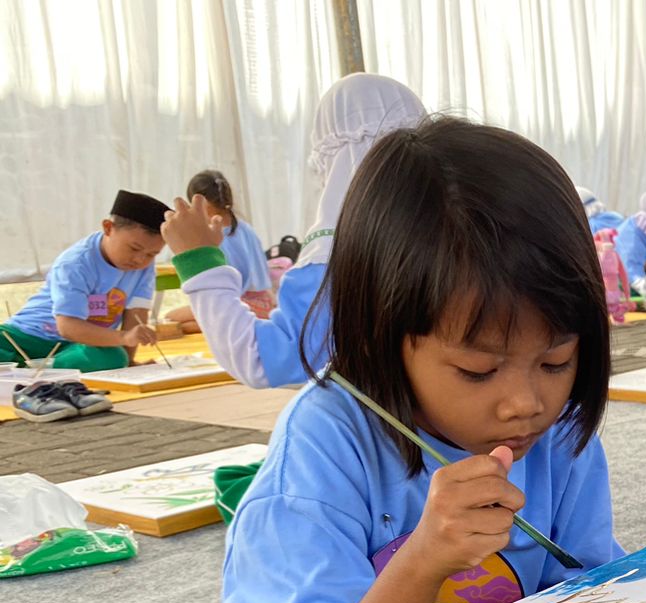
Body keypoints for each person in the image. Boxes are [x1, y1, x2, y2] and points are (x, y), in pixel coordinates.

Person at [156, 117, 622, 603]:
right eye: (478, 368)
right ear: (381, 333)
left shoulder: (555, 434)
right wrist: (426, 557)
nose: (525, 401)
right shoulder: (328, 438)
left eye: (556, 361)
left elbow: (587, 598)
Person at [161, 73, 426, 389]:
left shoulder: (340, 249)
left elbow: (264, 359)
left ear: (330, 152)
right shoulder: (456, 226)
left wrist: (198, 262)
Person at [0, 189, 165, 378]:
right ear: (108, 228)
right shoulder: (76, 262)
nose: (140, 259)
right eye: (134, 248)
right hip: (24, 338)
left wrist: (127, 362)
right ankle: (34, 371)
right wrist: (123, 337)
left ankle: (28, 373)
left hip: (77, 347)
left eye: (152, 254)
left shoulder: (144, 267)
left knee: (113, 357)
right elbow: (68, 327)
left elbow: (136, 314)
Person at [164, 171, 272, 330]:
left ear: (200, 202)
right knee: (185, 323)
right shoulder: (246, 229)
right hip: (265, 304)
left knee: (170, 318)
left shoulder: (210, 237)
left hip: (239, 305)